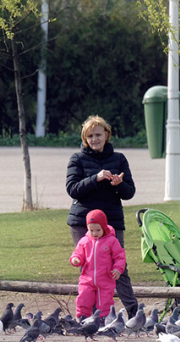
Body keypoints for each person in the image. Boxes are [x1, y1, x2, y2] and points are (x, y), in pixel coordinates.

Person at [65, 115, 138, 317]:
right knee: (87, 267)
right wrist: (95, 179)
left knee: (119, 267)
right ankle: (88, 315)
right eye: (90, 136)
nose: (94, 139)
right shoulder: (77, 159)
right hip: (83, 222)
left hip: (112, 222)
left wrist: (118, 184)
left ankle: (134, 313)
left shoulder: (119, 159)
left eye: (98, 134)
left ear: (107, 134)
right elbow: (72, 189)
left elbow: (129, 192)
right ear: (85, 138)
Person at [70, 209, 126, 321]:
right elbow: (78, 253)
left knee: (105, 301)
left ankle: (103, 319)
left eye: (98, 230)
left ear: (104, 227)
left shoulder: (111, 241)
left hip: (105, 278)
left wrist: (118, 269)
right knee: (83, 298)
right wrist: (76, 259)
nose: (94, 233)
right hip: (87, 278)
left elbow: (119, 256)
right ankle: (82, 318)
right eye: (91, 230)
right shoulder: (84, 241)